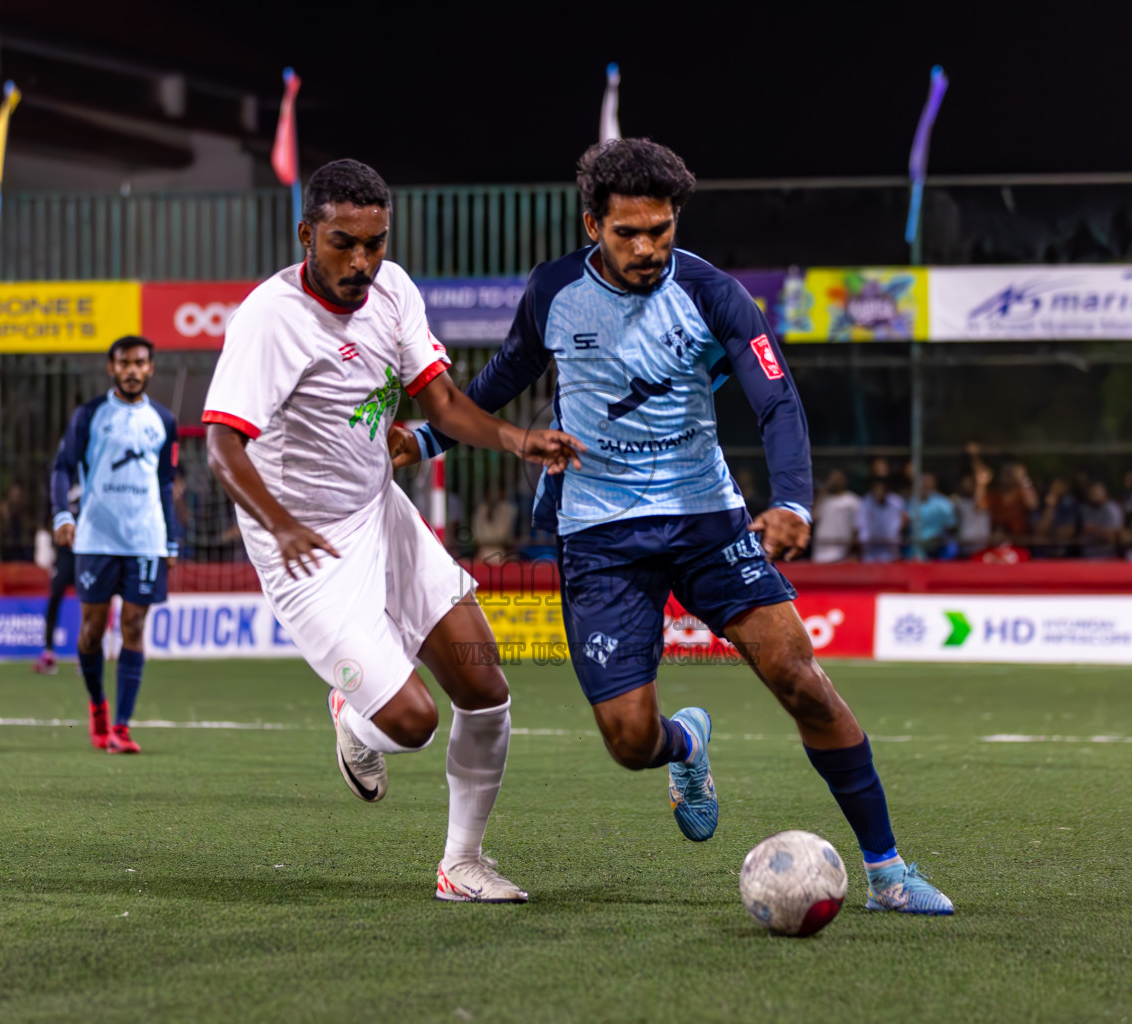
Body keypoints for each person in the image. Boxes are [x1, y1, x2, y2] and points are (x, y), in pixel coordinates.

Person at [398, 139, 952, 914]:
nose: (648, 247)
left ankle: (888, 871)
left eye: (661, 229)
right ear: (593, 224)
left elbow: (777, 400)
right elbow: (504, 377)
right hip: (600, 540)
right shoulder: (553, 290)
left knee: (801, 679)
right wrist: (425, 438)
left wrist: (792, 502)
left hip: (707, 523)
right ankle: (685, 745)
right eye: (628, 232)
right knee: (630, 741)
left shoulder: (712, 291)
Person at [203, 158, 582, 904]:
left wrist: (516, 440)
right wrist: (278, 526)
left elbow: (439, 404)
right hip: (304, 549)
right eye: (344, 243)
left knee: (486, 688)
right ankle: (352, 714)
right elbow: (221, 445)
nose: (363, 262)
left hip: (380, 510)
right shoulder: (269, 319)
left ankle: (462, 864)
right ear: (307, 234)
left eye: (375, 243)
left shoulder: (393, 289)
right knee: (412, 722)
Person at [51, 336, 179, 754]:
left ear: (150, 368)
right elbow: (63, 467)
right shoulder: (89, 415)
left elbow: (165, 484)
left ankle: (122, 727)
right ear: (112, 367)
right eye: (124, 362)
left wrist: (171, 539)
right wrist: (62, 515)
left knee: (135, 627)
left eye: (140, 362)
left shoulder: (164, 419)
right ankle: (98, 706)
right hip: (97, 537)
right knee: (91, 630)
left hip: (146, 538)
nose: (132, 369)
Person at [34, 481, 80, 675]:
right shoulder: (57, 491)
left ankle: (86, 654)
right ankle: (49, 652)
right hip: (63, 557)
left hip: (83, 556)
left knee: (90, 605)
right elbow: (46, 520)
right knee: (54, 600)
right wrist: (43, 542)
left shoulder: (88, 486)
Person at [809, 470, 861, 563]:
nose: (834, 481)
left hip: (840, 554)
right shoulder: (824, 500)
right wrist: (824, 490)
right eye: (832, 479)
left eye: (838, 478)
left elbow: (856, 528)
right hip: (819, 553)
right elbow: (812, 517)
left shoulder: (853, 501)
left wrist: (852, 552)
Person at [857, 476, 907, 563]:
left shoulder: (896, 501)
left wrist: (896, 532)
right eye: (876, 488)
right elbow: (861, 524)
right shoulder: (866, 502)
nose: (879, 491)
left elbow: (903, 519)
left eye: (881, 488)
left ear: (886, 490)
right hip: (870, 552)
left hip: (890, 551)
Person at [951, 465, 992, 557]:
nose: (969, 484)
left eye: (973, 482)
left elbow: (979, 503)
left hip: (981, 549)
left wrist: (974, 456)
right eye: (966, 482)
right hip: (963, 548)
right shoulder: (957, 502)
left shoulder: (985, 501)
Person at [1077, 481, 1125, 559]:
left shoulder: (1112, 508)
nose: (1095, 494)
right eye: (1092, 492)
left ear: (1105, 493)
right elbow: (1078, 531)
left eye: (1097, 491)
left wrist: (1091, 529)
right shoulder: (1084, 510)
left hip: (1108, 555)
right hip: (1087, 556)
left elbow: (1113, 536)